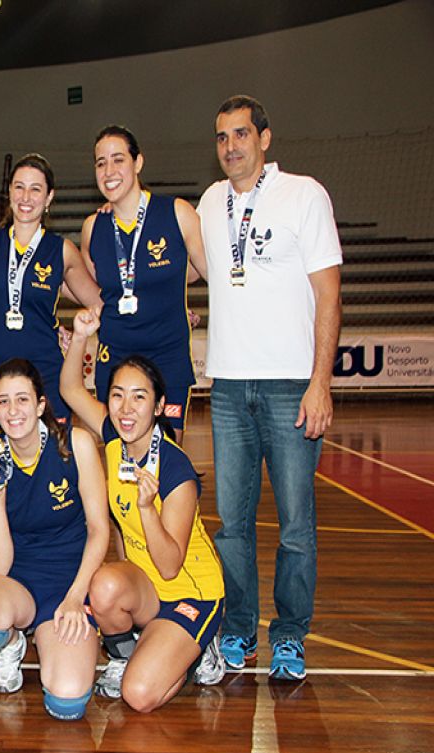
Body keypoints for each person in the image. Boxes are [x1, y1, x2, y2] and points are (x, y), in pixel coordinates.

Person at [198, 95, 342, 680]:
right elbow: (206, 275)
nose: (230, 145)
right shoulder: (210, 203)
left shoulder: (304, 195)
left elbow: (329, 295)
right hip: (228, 387)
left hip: (290, 386)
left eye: (240, 134)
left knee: (296, 526)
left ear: (265, 138)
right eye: (221, 136)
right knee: (232, 524)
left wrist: (320, 383)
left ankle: (288, 636)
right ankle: (239, 632)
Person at [61, 309, 226, 712]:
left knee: (139, 696)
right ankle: (125, 657)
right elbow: (69, 390)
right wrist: (81, 337)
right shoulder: (115, 440)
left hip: (191, 592)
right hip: (147, 590)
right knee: (102, 586)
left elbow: (170, 565)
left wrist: (148, 510)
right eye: (117, 395)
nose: (126, 408)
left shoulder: (176, 471)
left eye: (139, 397)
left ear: (158, 407)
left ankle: (200, 647)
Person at [0, 358, 110, 721]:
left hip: (69, 585)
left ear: (41, 405)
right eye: (3, 401)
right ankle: (12, 641)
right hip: (18, 584)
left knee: (67, 701)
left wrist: (74, 598)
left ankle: (55, 637)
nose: (13, 410)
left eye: (22, 399)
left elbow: (100, 530)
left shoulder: (77, 444)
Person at [81, 125, 207, 443]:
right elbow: (95, 289)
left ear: (138, 163)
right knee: (119, 460)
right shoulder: (93, 228)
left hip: (168, 356)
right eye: (100, 162)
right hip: (116, 356)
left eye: (118, 159)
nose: (108, 171)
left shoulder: (177, 213)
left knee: (166, 459)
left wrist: (179, 298)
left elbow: (204, 273)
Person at [0, 153, 101, 439]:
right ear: (9, 192)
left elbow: (98, 302)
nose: (26, 196)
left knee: (55, 468)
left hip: (45, 373)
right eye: (19, 187)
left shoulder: (62, 250)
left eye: (36, 189)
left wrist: (75, 332)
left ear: (49, 197)